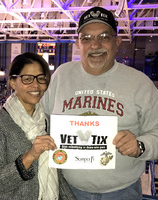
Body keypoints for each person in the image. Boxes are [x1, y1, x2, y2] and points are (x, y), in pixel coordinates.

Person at [42, 6, 158, 200]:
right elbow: (41, 119)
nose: (95, 45)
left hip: (122, 192)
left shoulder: (140, 83)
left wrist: (140, 145)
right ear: (78, 44)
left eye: (104, 37)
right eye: (86, 38)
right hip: (67, 190)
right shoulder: (61, 75)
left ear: (117, 41)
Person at [0, 52, 75, 199]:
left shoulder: (49, 121)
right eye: (27, 79)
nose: (36, 85)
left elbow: (57, 175)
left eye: (41, 78)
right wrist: (30, 156)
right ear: (13, 82)